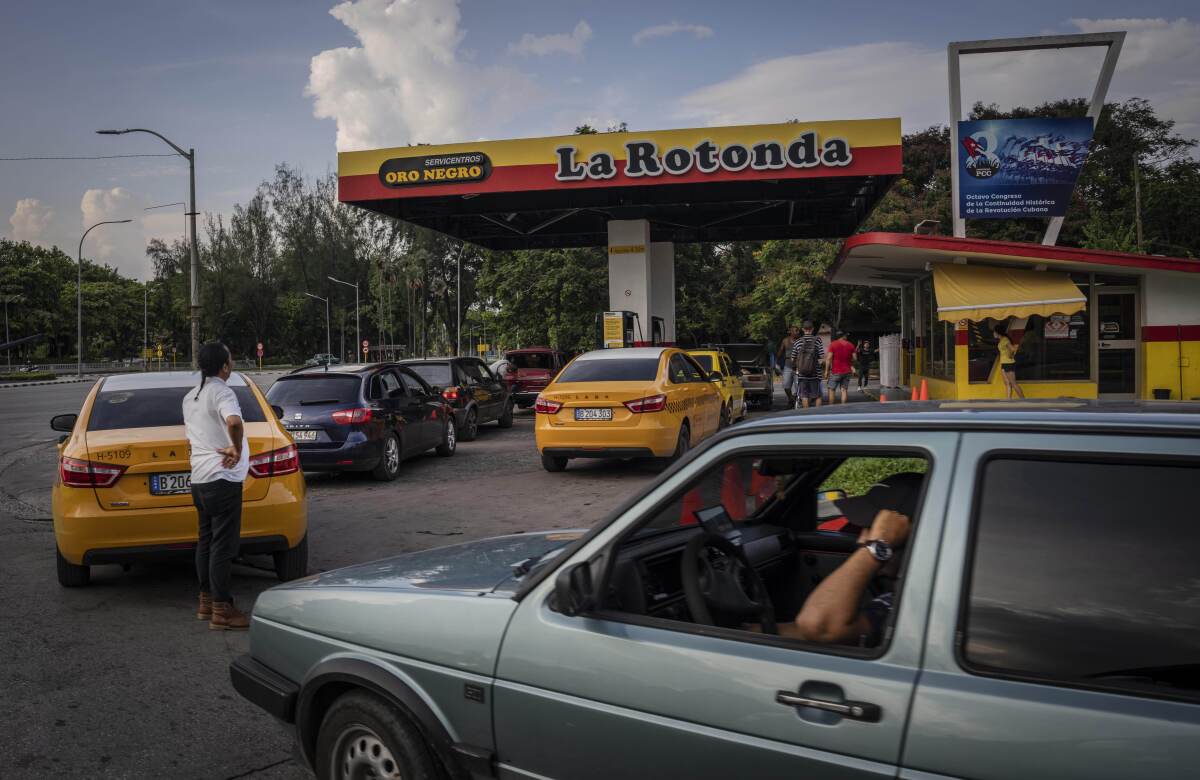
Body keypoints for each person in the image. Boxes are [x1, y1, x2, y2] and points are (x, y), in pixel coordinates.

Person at [785, 472, 923, 646]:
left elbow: (819, 626)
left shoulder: (919, 605)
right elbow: (805, 630)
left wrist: (877, 548)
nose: (861, 540)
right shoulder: (899, 596)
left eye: (873, 530)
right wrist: (750, 629)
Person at [183, 341, 250, 630]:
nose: (231, 363)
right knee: (223, 546)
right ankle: (222, 610)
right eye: (230, 359)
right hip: (222, 479)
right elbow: (234, 422)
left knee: (206, 542)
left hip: (199, 480)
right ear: (224, 366)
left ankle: (206, 602)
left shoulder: (190, 397)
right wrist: (235, 448)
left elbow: (191, 439)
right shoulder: (222, 391)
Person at [789, 321, 824, 409]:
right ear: (812, 329)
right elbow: (822, 356)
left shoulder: (798, 342)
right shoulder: (817, 340)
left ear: (803, 329)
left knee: (804, 396)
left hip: (802, 374)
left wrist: (798, 367)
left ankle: (806, 415)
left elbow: (792, 358)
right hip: (815, 374)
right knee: (818, 396)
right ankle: (817, 415)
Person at [994, 324, 1025, 399]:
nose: (993, 333)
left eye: (994, 332)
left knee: (1013, 383)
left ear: (997, 332)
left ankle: (1023, 400)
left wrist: (1010, 356)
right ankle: (1008, 400)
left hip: (1008, 363)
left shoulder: (1005, 340)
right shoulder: (1001, 340)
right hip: (1004, 363)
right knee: (1007, 383)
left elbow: (1013, 349)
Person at [826, 331, 856, 405]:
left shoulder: (832, 344)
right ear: (843, 336)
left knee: (831, 389)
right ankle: (843, 407)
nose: (846, 337)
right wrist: (851, 364)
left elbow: (829, 358)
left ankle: (831, 407)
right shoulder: (850, 345)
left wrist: (826, 371)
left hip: (836, 371)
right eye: (846, 335)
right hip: (847, 371)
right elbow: (855, 358)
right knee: (844, 389)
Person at [777, 325, 799, 407]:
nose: (798, 332)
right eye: (796, 330)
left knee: (798, 386)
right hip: (788, 365)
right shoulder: (785, 341)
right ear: (791, 332)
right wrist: (777, 362)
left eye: (798, 330)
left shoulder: (800, 341)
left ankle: (796, 400)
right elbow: (780, 351)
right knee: (786, 385)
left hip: (798, 366)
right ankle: (791, 399)